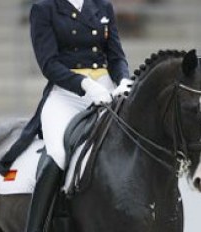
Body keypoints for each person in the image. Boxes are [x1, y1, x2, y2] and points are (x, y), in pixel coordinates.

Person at [21, 0, 132, 231]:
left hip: (106, 88)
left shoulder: (103, 6)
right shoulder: (44, 9)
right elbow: (49, 64)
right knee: (58, 154)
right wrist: (86, 86)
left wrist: (123, 80)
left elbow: (116, 56)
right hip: (66, 93)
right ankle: (38, 225)